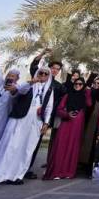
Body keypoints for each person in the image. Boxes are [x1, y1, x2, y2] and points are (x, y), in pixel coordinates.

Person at [0, 67, 54, 191]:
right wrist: (33, 81)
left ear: (49, 76)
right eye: (41, 73)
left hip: (36, 123)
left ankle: (15, 176)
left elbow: (49, 107)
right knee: (8, 147)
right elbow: (20, 90)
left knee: (26, 149)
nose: (43, 75)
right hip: (19, 119)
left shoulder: (49, 90)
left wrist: (46, 123)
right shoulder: (28, 85)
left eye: (46, 74)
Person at [25, 49, 64, 179]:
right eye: (53, 68)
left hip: (42, 120)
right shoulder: (40, 75)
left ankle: (26, 168)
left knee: (35, 144)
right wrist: (42, 54)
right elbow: (33, 66)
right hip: (26, 117)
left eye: (57, 69)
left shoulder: (58, 86)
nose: (55, 71)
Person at [44, 76, 92, 179]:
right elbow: (59, 109)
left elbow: (89, 104)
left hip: (77, 127)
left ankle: (68, 172)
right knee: (61, 146)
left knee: (72, 148)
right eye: (76, 84)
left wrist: (87, 91)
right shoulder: (67, 95)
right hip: (66, 124)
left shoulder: (84, 96)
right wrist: (67, 114)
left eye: (80, 84)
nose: (78, 86)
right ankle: (57, 172)